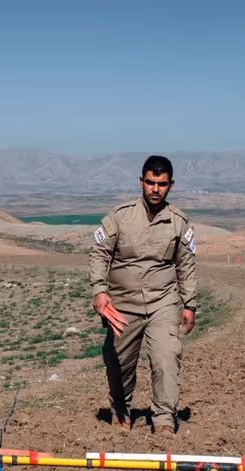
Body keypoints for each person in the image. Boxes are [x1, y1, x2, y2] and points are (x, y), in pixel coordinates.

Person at [89, 155, 199, 435]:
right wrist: (100, 290)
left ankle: (163, 419)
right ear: (141, 182)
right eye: (150, 182)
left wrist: (190, 304)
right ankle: (121, 409)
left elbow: (186, 264)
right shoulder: (120, 216)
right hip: (123, 303)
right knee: (119, 362)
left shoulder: (179, 222)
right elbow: (99, 252)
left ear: (170, 186)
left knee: (166, 357)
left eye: (161, 184)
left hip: (163, 302)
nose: (155, 189)